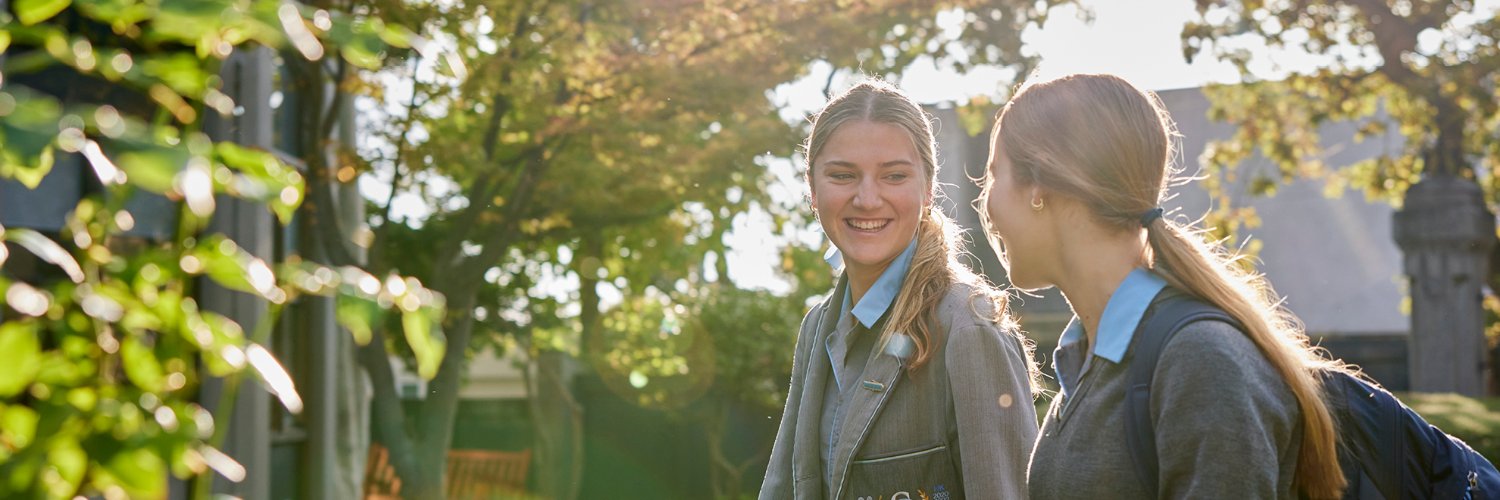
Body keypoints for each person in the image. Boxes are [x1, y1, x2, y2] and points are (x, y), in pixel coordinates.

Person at [978, 73, 1347, 499]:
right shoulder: (1086, 359)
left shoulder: (1200, 361)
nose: (985, 205)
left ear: (1038, 186)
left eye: (993, 175)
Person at [759, 80, 1039, 500]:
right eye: (842, 175)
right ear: (812, 191)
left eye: (893, 175)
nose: (867, 199)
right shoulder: (817, 329)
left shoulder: (969, 329)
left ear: (928, 189)